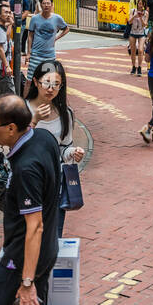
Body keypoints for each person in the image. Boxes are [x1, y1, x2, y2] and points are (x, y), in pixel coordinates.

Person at [0, 95, 112, 305]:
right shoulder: (42, 138)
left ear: (12, 128)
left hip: (21, 258)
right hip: (47, 247)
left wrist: (26, 282)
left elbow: (33, 226)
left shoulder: (26, 169)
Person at [25, 60, 87, 238]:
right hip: (28, 183)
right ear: (36, 82)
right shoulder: (22, 109)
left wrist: (73, 153)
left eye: (56, 85)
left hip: (55, 183)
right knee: (28, 235)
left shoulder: (65, 114)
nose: (50, 89)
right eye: (47, 83)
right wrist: (34, 120)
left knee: (53, 236)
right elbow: (15, 146)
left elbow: (64, 148)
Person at [23, 0, 69, 79]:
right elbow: (30, 36)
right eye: (44, 3)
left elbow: (66, 29)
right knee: (30, 80)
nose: (46, 5)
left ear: (52, 5)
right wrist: (28, 53)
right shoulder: (34, 18)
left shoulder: (57, 18)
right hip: (35, 55)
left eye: (48, 3)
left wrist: (56, 38)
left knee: (49, 79)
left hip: (50, 55)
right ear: (41, 5)